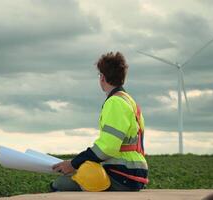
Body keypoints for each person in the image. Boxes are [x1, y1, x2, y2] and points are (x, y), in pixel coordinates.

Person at [51, 52, 148, 191]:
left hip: (122, 174)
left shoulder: (115, 102)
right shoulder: (129, 101)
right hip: (135, 172)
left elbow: (107, 147)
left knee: (59, 185)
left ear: (102, 77)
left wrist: (73, 164)